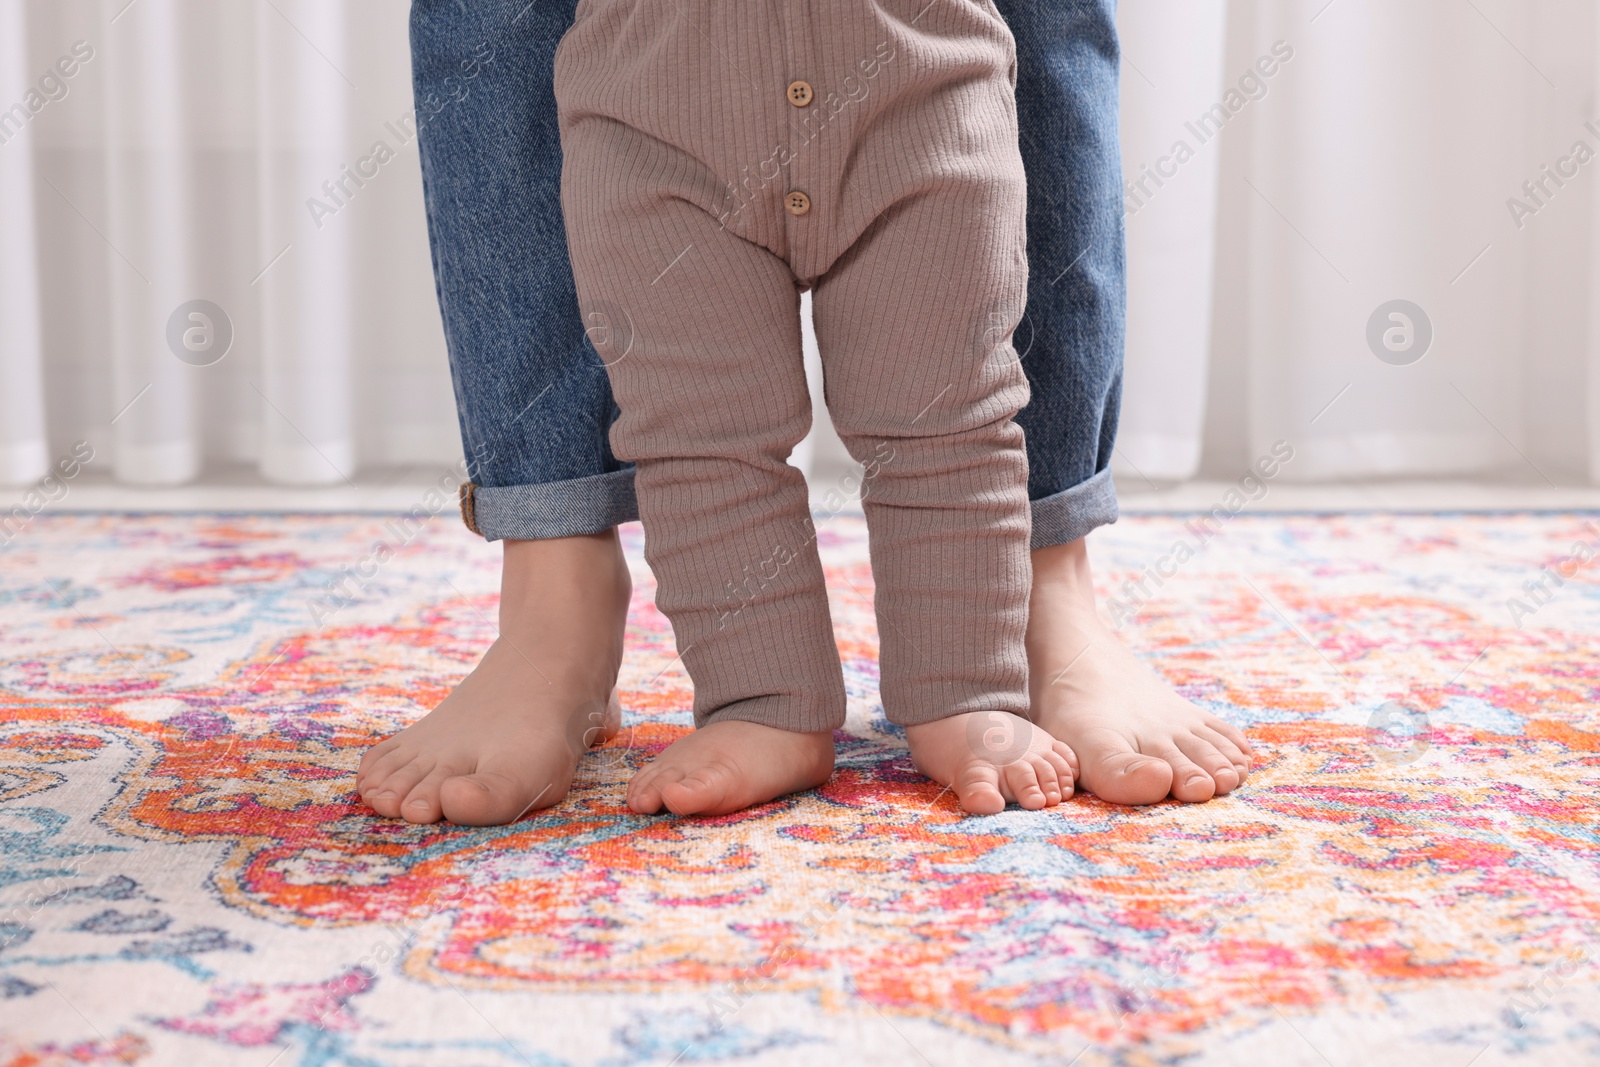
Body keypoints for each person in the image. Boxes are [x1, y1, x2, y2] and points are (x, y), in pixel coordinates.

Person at [355, 0, 1253, 826]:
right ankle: (761, 702)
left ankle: (968, 683)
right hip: (652, 120)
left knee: (950, 415)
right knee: (700, 432)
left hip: (925, 86)